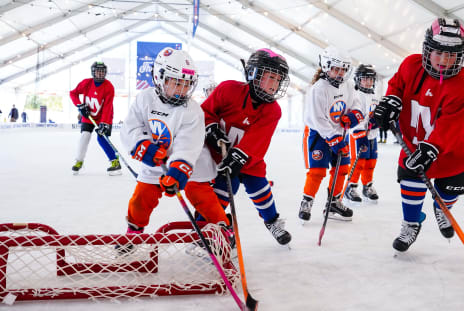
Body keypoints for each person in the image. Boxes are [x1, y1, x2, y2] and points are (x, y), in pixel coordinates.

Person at [374, 17, 464, 253]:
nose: (444, 60)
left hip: (451, 152)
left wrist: (433, 147)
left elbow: (452, 124)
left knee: (446, 194)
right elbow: (396, 85)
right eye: (438, 53)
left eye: (451, 55)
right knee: (410, 183)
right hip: (414, 143)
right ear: (427, 49)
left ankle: (442, 209)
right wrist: (391, 100)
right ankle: (411, 223)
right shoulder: (411, 65)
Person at [119, 47, 228, 251]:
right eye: (176, 82)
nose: (182, 89)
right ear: (160, 78)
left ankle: (222, 229)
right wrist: (143, 147)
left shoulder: (193, 110)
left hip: (191, 163)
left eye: (186, 84)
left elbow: (189, 144)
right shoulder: (144, 99)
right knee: (141, 198)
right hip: (154, 160)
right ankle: (134, 231)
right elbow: (131, 127)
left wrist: (178, 169)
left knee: (201, 195)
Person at [198, 48, 292, 246]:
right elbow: (204, 112)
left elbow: (258, 140)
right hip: (219, 159)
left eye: (278, 80)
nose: (274, 85)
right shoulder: (227, 89)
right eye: (270, 77)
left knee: (261, 191)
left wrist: (239, 157)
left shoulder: (273, 110)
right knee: (219, 195)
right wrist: (211, 128)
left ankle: (272, 222)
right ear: (253, 74)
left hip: (250, 161)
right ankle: (203, 229)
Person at [298, 46, 364, 222]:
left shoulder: (349, 86)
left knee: (341, 169)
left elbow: (357, 106)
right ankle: (307, 201)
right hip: (319, 135)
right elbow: (318, 119)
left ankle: (333, 202)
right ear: (326, 67)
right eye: (336, 69)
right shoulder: (318, 89)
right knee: (317, 171)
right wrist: (334, 139)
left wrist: (352, 117)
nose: (340, 73)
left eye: (343, 69)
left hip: (339, 133)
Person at [69, 62, 121, 175]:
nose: (100, 73)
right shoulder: (86, 83)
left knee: (102, 139)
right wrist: (79, 105)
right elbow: (73, 93)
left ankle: (115, 162)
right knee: (85, 136)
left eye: (102, 71)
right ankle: (79, 161)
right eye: (98, 71)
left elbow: (107, 106)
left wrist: (104, 122)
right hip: (88, 117)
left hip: (104, 117)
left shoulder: (109, 87)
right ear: (93, 72)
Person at [343, 64, 381, 203]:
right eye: (365, 79)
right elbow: (355, 114)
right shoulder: (355, 95)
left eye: (370, 79)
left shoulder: (375, 96)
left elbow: (376, 113)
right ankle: (350, 187)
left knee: (371, 162)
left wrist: (379, 121)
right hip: (358, 134)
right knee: (358, 161)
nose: (368, 82)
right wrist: (364, 125)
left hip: (372, 134)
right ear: (358, 80)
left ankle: (367, 186)